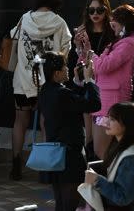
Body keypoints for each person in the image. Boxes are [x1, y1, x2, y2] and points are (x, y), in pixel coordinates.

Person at [10, 0, 72, 180]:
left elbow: (13, 38)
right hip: (49, 84)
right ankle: (46, 170)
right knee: (48, 123)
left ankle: (16, 164)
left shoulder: (24, 19)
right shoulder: (59, 23)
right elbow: (66, 50)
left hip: (23, 81)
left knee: (20, 121)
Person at [36, 51, 100, 211]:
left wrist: (78, 83)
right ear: (56, 73)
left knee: (60, 203)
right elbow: (94, 104)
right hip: (70, 157)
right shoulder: (62, 93)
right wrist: (89, 80)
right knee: (69, 204)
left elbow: (72, 102)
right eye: (64, 67)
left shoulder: (45, 90)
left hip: (55, 155)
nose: (67, 68)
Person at [91, 5, 134, 162]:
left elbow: (103, 66)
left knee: (102, 151)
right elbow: (98, 65)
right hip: (105, 100)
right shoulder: (118, 42)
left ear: (123, 23)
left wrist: (90, 54)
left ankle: (110, 182)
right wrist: (85, 50)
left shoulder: (128, 43)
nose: (111, 25)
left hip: (113, 102)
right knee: (102, 150)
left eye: (114, 23)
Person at [82, 102, 134, 211]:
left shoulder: (131, 158)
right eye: (108, 117)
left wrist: (97, 180)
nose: (106, 122)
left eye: (112, 119)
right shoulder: (130, 145)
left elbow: (122, 197)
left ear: (126, 124)